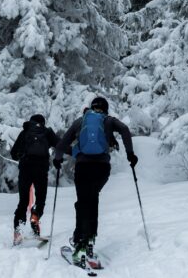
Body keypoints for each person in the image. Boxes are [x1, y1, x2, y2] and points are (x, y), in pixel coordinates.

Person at [53, 97, 137, 265]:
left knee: (83, 203)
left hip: (83, 168)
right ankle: (90, 241)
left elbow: (62, 143)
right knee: (93, 200)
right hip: (102, 169)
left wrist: (58, 159)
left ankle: (80, 246)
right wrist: (130, 154)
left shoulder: (81, 121)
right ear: (105, 108)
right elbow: (125, 129)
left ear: (91, 108)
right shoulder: (108, 120)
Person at [10, 114, 58, 243]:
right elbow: (60, 145)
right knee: (40, 199)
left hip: (26, 169)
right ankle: (35, 217)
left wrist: (21, 155)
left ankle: (18, 230)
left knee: (23, 201)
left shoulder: (25, 132)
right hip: (41, 170)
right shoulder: (47, 132)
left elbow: (13, 153)